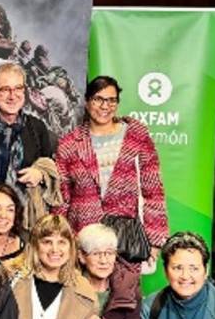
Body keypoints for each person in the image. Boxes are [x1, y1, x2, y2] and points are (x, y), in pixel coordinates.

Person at [55, 75, 168, 272]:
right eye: (98, 99)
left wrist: (155, 240)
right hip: (83, 240)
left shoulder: (136, 136)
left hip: (126, 241)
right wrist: (60, 239)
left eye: (111, 100)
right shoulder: (69, 144)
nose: (105, 106)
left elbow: (153, 190)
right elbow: (62, 198)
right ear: (87, 102)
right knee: (82, 290)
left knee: (124, 290)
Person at [0, 62, 56, 199]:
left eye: (18, 88)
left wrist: (40, 174)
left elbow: (50, 167)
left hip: (29, 208)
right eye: (5, 89)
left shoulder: (38, 128)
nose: (12, 96)